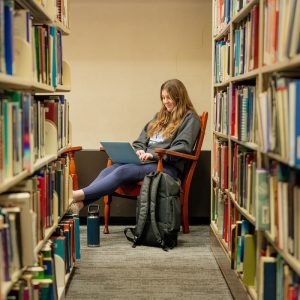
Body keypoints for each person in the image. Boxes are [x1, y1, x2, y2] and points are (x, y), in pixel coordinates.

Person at [69, 79, 201, 213]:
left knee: (122, 171)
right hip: (145, 163)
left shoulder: (190, 118)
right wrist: (139, 151)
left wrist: (152, 155)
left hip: (167, 167)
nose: (165, 101)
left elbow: (182, 147)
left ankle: (75, 195)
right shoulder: (160, 116)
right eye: (163, 98)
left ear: (179, 97)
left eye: (169, 97)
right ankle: (79, 205)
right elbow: (140, 141)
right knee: (109, 170)